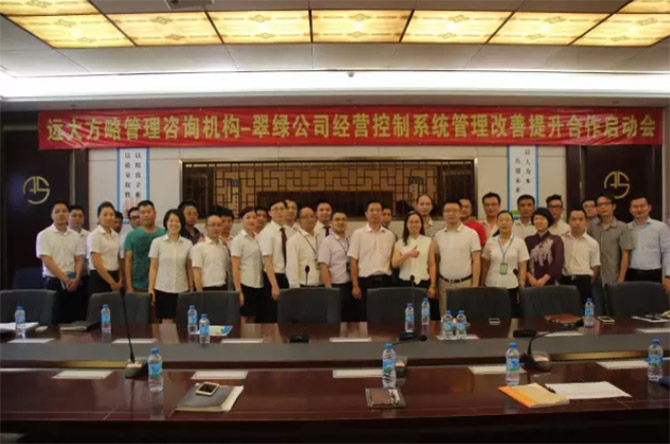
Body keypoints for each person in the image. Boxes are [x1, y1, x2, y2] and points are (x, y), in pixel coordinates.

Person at [36, 201, 86, 323]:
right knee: (54, 319)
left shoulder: (75, 235)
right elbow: (47, 260)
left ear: (68, 214)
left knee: (73, 320)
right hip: (54, 282)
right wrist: (65, 279)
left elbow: (78, 259)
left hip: (73, 283)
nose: (61, 214)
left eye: (64, 211)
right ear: (52, 215)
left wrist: (77, 278)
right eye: (57, 211)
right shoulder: (44, 235)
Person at [349, 200, 396, 322]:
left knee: (384, 317)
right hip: (365, 282)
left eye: (378, 210)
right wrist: (355, 286)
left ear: (382, 213)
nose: (375, 213)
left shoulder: (390, 235)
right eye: (372, 210)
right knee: (364, 317)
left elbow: (393, 260)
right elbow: (353, 261)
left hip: (385, 281)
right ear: (366, 214)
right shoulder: (358, 234)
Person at [433, 199, 481, 316]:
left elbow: (476, 261)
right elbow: (436, 261)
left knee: (465, 319)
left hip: (465, 283)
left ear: (460, 212)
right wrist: (435, 285)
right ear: (443, 214)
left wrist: (475, 285)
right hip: (444, 284)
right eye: (447, 211)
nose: (451, 213)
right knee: (445, 318)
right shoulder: (438, 235)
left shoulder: (471, 234)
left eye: (454, 210)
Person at [481, 210, 529, 317]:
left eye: (507, 220)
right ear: (497, 223)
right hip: (491, 283)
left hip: (511, 284)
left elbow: (523, 266)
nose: (504, 223)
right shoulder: (491, 241)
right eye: (501, 220)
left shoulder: (520, 242)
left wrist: (521, 285)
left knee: (510, 315)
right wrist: (482, 282)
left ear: (512, 222)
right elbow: (485, 265)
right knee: (492, 315)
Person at [148, 209, 193, 321]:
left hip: (182, 288)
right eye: (171, 221)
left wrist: (191, 286)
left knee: (183, 321)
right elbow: (153, 267)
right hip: (163, 288)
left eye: (177, 221)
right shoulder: (157, 242)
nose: (174, 224)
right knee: (166, 323)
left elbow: (189, 267)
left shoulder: (188, 244)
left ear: (182, 224)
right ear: (166, 223)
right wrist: (150, 288)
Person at [392, 212, 438, 319]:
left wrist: (432, 285)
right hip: (405, 283)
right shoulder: (400, 243)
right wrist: (407, 254)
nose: (414, 225)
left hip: (423, 283)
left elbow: (432, 264)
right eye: (411, 222)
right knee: (406, 316)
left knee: (424, 316)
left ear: (421, 224)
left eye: (417, 222)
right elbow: (394, 264)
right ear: (406, 225)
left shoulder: (428, 241)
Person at [587, 192, 634, 287]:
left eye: (606, 204)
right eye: (600, 205)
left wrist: (621, 278)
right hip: (594, 276)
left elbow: (625, 254)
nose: (603, 207)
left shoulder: (622, 227)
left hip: (613, 276)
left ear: (613, 206)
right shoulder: (592, 226)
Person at [627, 194, 670, 293]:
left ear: (649, 207)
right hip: (631, 275)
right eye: (635, 207)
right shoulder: (626, 228)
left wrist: (668, 276)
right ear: (630, 210)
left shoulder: (660, 227)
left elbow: (668, 252)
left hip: (653, 274)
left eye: (642, 206)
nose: (639, 209)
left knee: (654, 302)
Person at [257, 199, 289, 322]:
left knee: (286, 315)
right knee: (272, 315)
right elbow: (267, 261)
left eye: (282, 209)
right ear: (270, 213)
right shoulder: (267, 232)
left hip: (288, 276)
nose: (279, 212)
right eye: (275, 209)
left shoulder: (289, 231)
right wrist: (274, 285)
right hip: (273, 277)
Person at [124, 200, 166, 293]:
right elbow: (128, 261)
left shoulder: (164, 234)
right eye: (143, 212)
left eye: (149, 212)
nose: (146, 215)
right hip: (137, 284)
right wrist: (129, 286)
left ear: (155, 213)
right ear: (139, 215)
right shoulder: (131, 236)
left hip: (160, 284)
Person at [231, 207, 264, 323]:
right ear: (241, 220)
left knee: (254, 317)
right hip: (245, 284)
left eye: (254, 217)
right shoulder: (238, 240)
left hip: (259, 283)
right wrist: (239, 291)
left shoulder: (259, 238)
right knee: (244, 318)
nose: (252, 220)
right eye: (248, 217)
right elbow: (235, 267)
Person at [318, 210, 353, 321]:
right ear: (331, 223)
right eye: (337, 220)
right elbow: (323, 266)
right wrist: (329, 288)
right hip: (335, 286)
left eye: (343, 220)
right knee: (335, 319)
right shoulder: (327, 242)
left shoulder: (350, 240)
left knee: (350, 318)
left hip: (350, 285)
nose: (341, 222)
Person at [561, 209, 601, 304]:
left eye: (580, 219)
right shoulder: (562, 240)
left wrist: (588, 283)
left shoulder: (592, 243)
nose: (577, 223)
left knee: (585, 310)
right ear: (568, 221)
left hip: (584, 281)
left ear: (586, 222)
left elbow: (595, 266)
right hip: (565, 280)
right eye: (573, 219)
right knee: (565, 309)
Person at [87, 201, 122, 295]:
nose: (109, 217)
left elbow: (117, 258)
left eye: (111, 214)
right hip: (99, 277)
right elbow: (96, 263)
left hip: (114, 275)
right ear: (98, 216)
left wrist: (120, 279)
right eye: (105, 215)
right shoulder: (94, 235)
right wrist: (111, 282)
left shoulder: (116, 235)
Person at [525, 207, 564, 287]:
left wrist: (544, 280)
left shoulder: (556, 240)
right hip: (532, 283)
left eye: (542, 219)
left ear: (548, 221)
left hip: (550, 283)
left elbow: (558, 262)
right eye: (536, 219)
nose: (539, 221)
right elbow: (524, 262)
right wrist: (530, 278)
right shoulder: (528, 240)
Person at [191, 214, 229, 292]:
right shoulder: (199, 247)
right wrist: (200, 294)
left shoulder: (223, 248)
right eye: (213, 225)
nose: (216, 228)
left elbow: (226, 270)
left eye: (219, 225)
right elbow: (196, 273)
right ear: (206, 227)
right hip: (206, 288)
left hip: (222, 287)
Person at [287, 206, 322, 288]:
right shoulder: (294, 240)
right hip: (304, 285)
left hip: (321, 284)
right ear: (298, 221)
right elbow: (292, 267)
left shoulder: (320, 236)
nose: (310, 219)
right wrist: (295, 288)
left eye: (312, 216)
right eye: (305, 217)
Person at [68, 204, 90, 301]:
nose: (77, 218)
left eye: (80, 216)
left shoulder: (89, 236)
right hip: (66, 277)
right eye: (74, 216)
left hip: (85, 277)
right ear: (68, 217)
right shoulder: (63, 235)